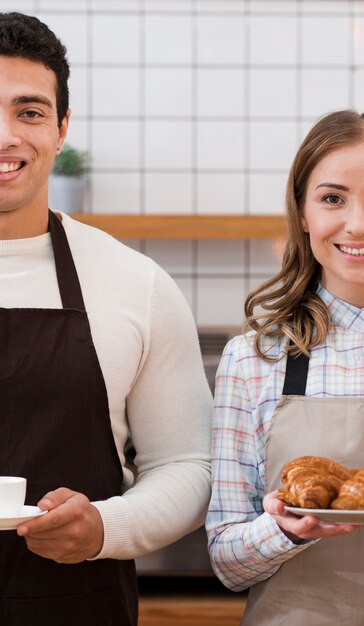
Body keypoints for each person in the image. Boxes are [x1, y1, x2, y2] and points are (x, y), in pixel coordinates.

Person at [0, 12, 212, 626]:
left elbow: (188, 465)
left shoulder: (135, 283)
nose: (6, 134)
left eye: (30, 112)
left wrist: (104, 527)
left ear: (62, 128)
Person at [206, 109, 364, 625]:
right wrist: (286, 528)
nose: (356, 224)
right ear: (302, 213)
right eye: (332, 198)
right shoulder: (255, 359)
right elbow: (228, 562)